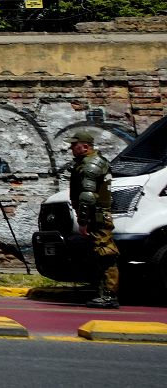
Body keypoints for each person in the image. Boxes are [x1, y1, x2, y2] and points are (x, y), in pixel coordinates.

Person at [68, 130, 121, 309]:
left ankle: (109, 295)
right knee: (99, 254)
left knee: (105, 253)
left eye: (74, 145)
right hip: (95, 214)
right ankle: (102, 292)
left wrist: (83, 221)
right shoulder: (89, 163)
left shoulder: (91, 165)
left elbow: (88, 196)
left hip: (96, 215)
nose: (71, 149)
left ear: (85, 146)